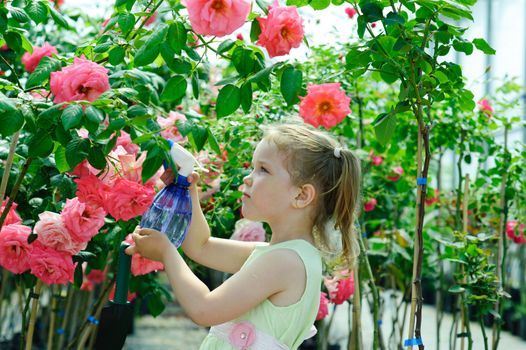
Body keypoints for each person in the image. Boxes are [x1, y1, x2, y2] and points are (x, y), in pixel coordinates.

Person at [125, 123, 362, 350]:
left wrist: (167, 253)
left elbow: (204, 309)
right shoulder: (279, 254)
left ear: (301, 196)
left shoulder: (285, 262)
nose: (247, 178)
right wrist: (189, 190)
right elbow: (201, 247)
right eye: (252, 167)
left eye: (263, 170)